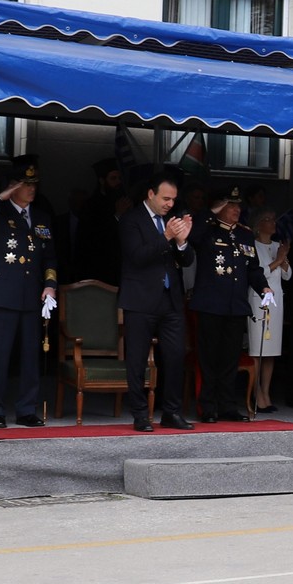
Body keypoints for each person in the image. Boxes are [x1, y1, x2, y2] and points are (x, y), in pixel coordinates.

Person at [0, 156, 56, 429]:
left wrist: (50, 285)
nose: (32, 189)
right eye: (25, 184)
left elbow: (50, 257)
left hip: (32, 295)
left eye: (34, 184)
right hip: (2, 295)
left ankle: (26, 409)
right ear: (13, 186)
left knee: (30, 357)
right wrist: (1, 196)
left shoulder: (41, 217)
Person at [119, 170, 194, 433]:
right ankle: (140, 414)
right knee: (137, 360)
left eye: (173, 199)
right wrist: (166, 238)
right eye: (165, 199)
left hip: (170, 299)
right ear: (151, 194)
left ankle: (172, 412)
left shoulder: (170, 222)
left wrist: (182, 242)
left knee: (175, 357)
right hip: (140, 300)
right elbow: (137, 256)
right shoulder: (131, 219)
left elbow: (187, 261)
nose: (170, 204)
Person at [189, 192, 270, 424]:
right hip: (210, 305)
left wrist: (264, 287)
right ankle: (208, 407)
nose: (236, 210)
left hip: (236, 307)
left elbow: (253, 268)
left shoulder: (245, 234)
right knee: (209, 358)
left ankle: (227, 406)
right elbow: (192, 237)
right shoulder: (207, 230)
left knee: (230, 359)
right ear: (219, 207)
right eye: (230, 206)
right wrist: (210, 212)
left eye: (238, 206)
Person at [69, 159, 124, 286]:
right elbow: (94, 239)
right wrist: (117, 216)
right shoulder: (91, 206)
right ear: (102, 181)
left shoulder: (121, 200)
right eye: (113, 178)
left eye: (119, 178)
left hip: (118, 271)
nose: (118, 182)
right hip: (96, 271)